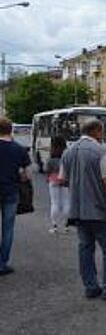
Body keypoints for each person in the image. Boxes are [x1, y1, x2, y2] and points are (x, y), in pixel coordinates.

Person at [60, 119, 106, 300]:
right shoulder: (101, 152)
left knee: (85, 248)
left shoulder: (68, 152)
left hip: (78, 210)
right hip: (100, 210)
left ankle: (90, 286)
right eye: (102, 131)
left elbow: (62, 180)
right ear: (97, 131)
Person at [0, 117, 31, 276]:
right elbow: (28, 176)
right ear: (11, 130)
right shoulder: (19, 149)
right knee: (7, 229)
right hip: (11, 191)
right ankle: (2, 263)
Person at [46, 135, 69, 234]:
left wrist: (48, 177)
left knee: (54, 203)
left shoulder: (51, 156)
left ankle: (54, 226)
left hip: (53, 180)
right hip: (65, 180)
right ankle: (66, 226)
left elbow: (48, 170)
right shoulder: (67, 156)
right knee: (66, 202)